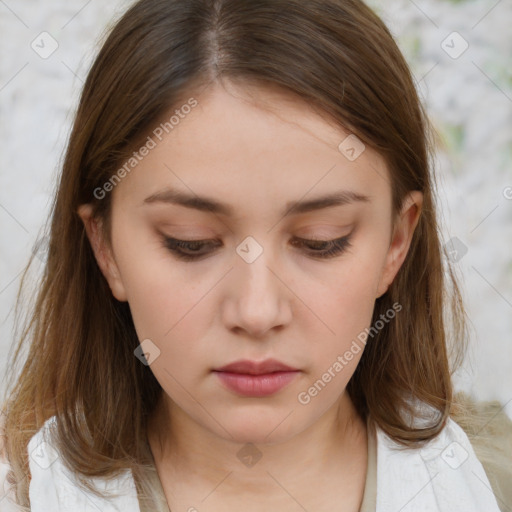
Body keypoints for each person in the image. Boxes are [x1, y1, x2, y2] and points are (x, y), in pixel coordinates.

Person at [1, 0, 511, 510]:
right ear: (106, 248)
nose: (257, 311)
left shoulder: (488, 482)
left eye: (321, 241)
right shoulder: (25, 492)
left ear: (396, 242)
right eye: (190, 242)